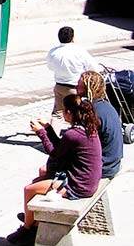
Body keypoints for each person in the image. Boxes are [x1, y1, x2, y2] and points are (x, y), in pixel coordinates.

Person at [7, 94, 102, 245]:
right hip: (87, 180)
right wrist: (48, 128)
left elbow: (54, 152)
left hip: (78, 186)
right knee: (40, 178)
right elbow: (61, 147)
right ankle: (34, 220)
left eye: (64, 110)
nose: (63, 113)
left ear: (69, 113)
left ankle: (26, 230)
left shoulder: (73, 134)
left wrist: (40, 132)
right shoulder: (88, 128)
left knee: (29, 189)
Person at [45, 26, 100, 127]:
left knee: (57, 114)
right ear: (73, 38)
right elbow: (93, 67)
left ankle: (52, 137)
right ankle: (77, 136)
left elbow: (50, 67)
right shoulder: (79, 51)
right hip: (75, 88)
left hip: (59, 86)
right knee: (77, 114)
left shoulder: (53, 52)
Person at [77, 71, 123, 179]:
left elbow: (85, 146)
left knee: (51, 167)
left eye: (79, 84)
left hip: (104, 167)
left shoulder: (92, 113)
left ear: (88, 88)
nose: (75, 86)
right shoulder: (105, 105)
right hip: (113, 162)